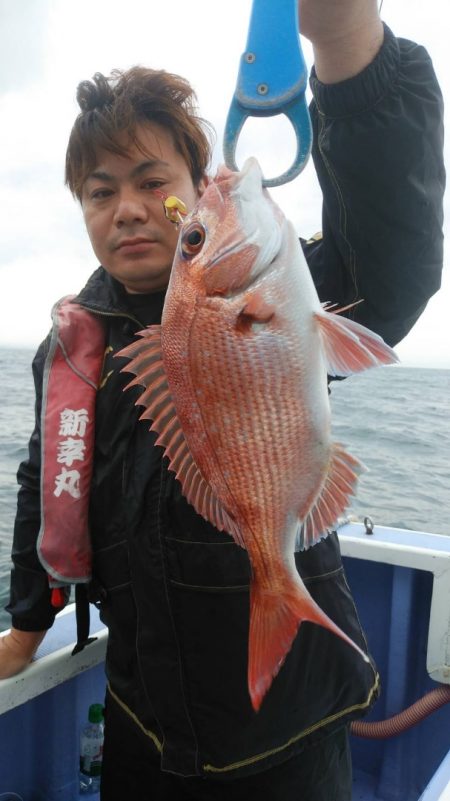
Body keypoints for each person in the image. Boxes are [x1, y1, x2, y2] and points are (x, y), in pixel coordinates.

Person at [0, 1, 445, 798]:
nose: (127, 207)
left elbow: (392, 270)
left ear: (194, 190)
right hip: (144, 721)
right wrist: (28, 622)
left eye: (152, 181)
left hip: (289, 732)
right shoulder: (69, 351)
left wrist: (346, 44)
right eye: (101, 192)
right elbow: (43, 488)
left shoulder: (275, 288)